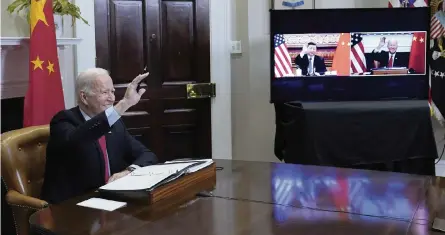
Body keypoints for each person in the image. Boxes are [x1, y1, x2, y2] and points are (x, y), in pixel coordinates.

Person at [41, 68, 158, 204]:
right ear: (84, 97)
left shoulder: (115, 124)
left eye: (112, 92)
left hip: (110, 200)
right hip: (72, 205)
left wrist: (128, 171)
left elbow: (147, 155)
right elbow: (79, 139)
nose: (112, 98)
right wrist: (124, 104)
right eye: (104, 92)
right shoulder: (63, 121)